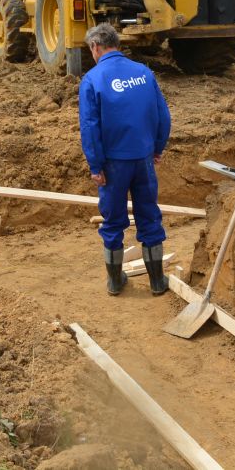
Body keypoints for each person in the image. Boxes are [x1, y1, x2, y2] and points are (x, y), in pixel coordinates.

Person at [79, 22, 172, 296]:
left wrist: (95, 165)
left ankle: (115, 281)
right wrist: (157, 147)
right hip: (143, 159)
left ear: (96, 47)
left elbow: (90, 127)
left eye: (91, 50)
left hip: (113, 164)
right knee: (149, 217)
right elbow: (163, 115)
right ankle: (157, 282)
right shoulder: (143, 73)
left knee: (112, 221)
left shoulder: (93, 80)